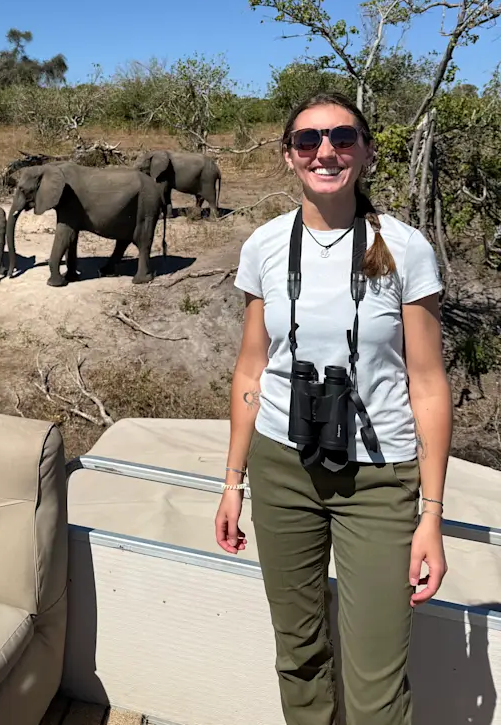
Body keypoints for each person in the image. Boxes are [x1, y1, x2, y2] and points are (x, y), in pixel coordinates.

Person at [215, 92, 452, 725]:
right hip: (281, 466)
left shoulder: (404, 249)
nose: (326, 151)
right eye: (308, 140)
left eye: (343, 138)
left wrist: (431, 514)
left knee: (375, 681)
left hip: (378, 478)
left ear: (367, 152)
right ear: (288, 157)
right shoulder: (264, 247)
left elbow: (428, 385)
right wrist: (233, 481)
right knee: (298, 655)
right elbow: (250, 368)